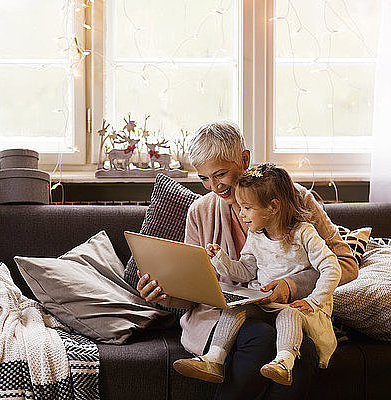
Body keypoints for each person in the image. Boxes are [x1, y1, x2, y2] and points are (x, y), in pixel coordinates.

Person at [137, 121, 358, 399]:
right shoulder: (200, 212)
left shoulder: (295, 199)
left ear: (244, 159)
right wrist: (163, 293)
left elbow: (346, 264)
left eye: (220, 174)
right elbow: (193, 292)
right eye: (204, 179)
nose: (214, 187)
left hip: (288, 311)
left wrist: (291, 286)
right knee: (260, 337)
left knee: (302, 353)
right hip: (223, 316)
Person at [172, 163, 341, 387]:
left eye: (247, 208)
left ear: (273, 207)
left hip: (296, 306)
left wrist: (314, 300)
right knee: (234, 310)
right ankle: (213, 360)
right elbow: (245, 271)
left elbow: (333, 266)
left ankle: (283, 363)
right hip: (263, 303)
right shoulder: (256, 236)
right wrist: (220, 260)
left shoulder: (304, 233)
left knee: (288, 316)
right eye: (240, 208)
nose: (241, 214)